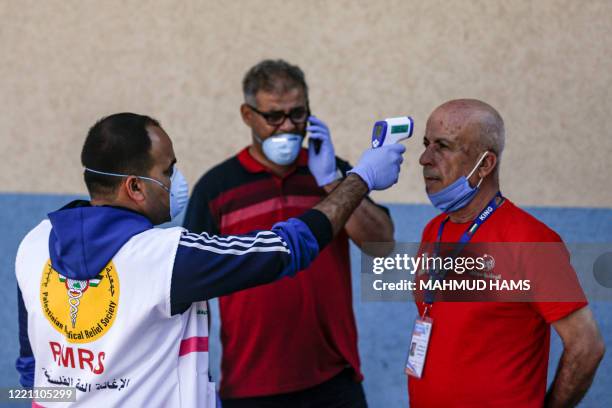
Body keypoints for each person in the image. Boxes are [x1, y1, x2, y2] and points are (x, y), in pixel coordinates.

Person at [15, 112, 406, 407]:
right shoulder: (165, 257)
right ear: (134, 187)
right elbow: (285, 248)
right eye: (167, 171)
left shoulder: (34, 244)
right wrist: (361, 179)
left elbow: (32, 365)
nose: (175, 181)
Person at [183, 59, 395, 407]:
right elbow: (192, 279)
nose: (287, 128)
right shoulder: (216, 188)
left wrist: (332, 181)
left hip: (334, 378)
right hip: (250, 383)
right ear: (248, 115)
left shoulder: (333, 173)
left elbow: (381, 244)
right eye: (273, 117)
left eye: (297, 115)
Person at [408, 99, 605, 407]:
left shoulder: (531, 240)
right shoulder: (435, 229)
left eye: (443, 146)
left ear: (485, 164)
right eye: (426, 144)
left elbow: (587, 345)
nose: (424, 159)